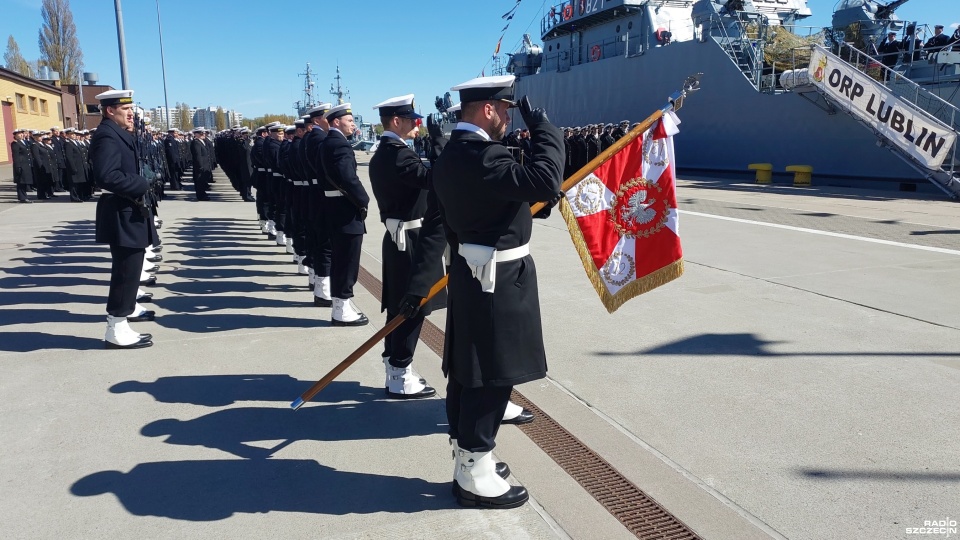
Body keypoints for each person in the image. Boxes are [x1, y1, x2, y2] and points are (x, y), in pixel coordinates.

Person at [429, 75, 563, 508]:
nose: (508, 116)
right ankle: (474, 469)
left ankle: (468, 457)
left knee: (469, 371)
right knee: (492, 375)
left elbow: (497, 201)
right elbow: (544, 180)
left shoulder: (454, 154)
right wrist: (546, 129)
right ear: (487, 109)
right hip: (498, 280)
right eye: (505, 109)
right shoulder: (483, 156)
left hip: (475, 273)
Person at [369, 94, 440, 399]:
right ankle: (400, 371)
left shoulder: (385, 153)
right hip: (410, 240)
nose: (417, 125)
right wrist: (441, 147)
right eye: (412, 120)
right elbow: (435, 180)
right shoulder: (400, 155)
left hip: (399, 237)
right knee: (414, 306)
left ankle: (394, 365)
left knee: (401, 304)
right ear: (396, 121)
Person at [89, 89, 157, 349]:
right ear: (109, 110)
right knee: (125, 271)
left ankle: (121, 324)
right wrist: (141, 182)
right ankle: (115, 329)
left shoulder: (117, 133)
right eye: (125, 109)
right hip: (121, 210)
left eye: (131, 108)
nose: (131, 114)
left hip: (128, 209)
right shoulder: (107, 135)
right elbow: (106, 176)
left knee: (131, 269)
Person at [321, 103, 369, 326]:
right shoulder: (339, 144)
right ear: (336, 121)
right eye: (349, 121)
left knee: (341, 259)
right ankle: (341, 309)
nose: (353, 124)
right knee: (347, 261)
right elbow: (348, 177)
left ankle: (341, 306)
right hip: (344, 210)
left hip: (332, 208)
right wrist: (363, 199)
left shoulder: (326, 142)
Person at [10, 129, 34, 203]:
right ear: (15, 136)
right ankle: (22, 198)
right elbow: (16, 156)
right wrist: (18, 167)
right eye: (19, 134)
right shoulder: (15, 143)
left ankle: (24, 196)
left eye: (21, 134)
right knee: (21, 182)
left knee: (24, 181)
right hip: (21, 165)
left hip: (26, 164)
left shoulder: (23, 142)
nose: (21, 135)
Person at [190, 127, 211, 201]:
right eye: (201, 133)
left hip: (204, 165)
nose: (203, 134)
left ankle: (203, 193)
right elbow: (198, 156)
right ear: (196, 134)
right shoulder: (196, 142)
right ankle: (201, 196)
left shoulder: (201, 141)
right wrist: (200, 166)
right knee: (199, 181)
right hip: (200, 166)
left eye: (203, 133)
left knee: (203, 181)